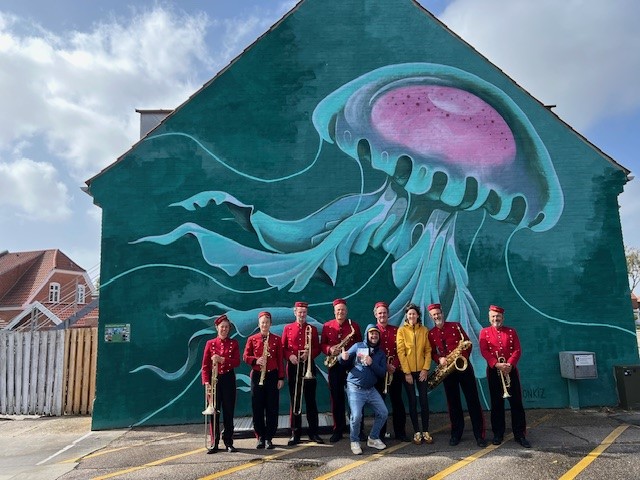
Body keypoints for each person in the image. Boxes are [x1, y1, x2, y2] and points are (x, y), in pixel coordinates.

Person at [427, 303, 487, 448]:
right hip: (448, 371)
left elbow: (468, 343)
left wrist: (462, 357)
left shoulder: (455, 326)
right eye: (434, 315)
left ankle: (479, 435)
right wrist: (439, 359)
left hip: (463, 368)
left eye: (438, 313)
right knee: (453, 404)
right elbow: (432, 353)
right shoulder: (431, 334)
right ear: (431, 317)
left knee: (473, 401)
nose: (436, 316)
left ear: (442, 313)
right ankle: (456, 434)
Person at [479, 304, 531, 448]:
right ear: (489, 318)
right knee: (497, 404)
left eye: (498, 316)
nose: (496, 319)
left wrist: (509, 364)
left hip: (510, 370)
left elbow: (517, 350)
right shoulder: (484, 332)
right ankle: (498, 434)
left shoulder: (511, 331)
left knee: (516, 404)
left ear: (502, 318)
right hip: (494, 371)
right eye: (493, 316)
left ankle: (520, 434)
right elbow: (484, 351)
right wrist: (496, 364)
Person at [339, 324, 389, 455]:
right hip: (355, 387)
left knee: (383, 413)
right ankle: (354, 441)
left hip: (370, 389)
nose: (374, 336)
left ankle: (373, 438)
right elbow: (344, 360)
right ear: (367, 334)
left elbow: (382, 373)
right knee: (356, 416)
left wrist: (372, 363)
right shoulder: (358, 346)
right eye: (371, 333)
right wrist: (342, 357)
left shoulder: (381, 353)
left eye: (376, 334)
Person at [282, 301, 324, 445]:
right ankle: (295, 433)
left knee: (311, 401)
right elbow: (283, 348)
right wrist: (290, 356)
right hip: (293, 368)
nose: (302, 315)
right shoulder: (288, 328)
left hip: (308, 367)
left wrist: (309, 354)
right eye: (299, 312)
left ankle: (314, 433)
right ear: (295, 312)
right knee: (295, 401)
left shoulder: (312, 329)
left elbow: (318, 348)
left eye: (304, 312)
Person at [320, 298, 363, 443]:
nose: (340, 312)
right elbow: (322, 344)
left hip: (352, 365)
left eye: (343, 310)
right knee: (336, 398)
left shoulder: (354, 326)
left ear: (346, 311)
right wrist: (330, 349)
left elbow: (360, 345)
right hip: (334, 366)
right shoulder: (327, 326)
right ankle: (338, 429)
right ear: (334, 311)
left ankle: (359, 429)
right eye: (338, 310)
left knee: (356, 398)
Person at [243, 311, 285, 450]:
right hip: (257, 375)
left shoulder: (277, 339)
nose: (264, 325)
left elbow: (280, 359)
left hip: (272, 375)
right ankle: (260, 436)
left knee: (272, 407)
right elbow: (245, 356)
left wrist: (280, 377)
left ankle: (269, 437)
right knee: (257, 407)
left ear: (270, 324)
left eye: (267, 322)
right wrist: (256, 360)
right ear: (259, 324)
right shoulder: (252, 339)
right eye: (262, 323)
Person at [201, 314, 241, 453]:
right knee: (214, 413)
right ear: (217, 328)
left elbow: (237, 362)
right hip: (214, 380)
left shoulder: (234, 343)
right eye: (222, 327)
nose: (224, 329)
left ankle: (229, 441)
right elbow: (205, 366)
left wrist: (223, 360)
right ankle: (214, 442)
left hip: (228, 379)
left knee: (228, 412)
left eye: (226, 327)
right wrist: (206, 382)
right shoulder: (210, 343)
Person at [396, 303, 433, 445]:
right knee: (412, 401)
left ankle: (426, 431)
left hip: (422, 371)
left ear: (418, 315)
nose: (412, 316)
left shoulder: (424, 330)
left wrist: (425, 369)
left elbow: (428, 350)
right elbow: (401, 352)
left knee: (424, 400)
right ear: (406, 315)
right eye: (409, 314)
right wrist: (407, 373)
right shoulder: (401, 331)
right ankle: (417, 431)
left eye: (414, 313)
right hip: (408, 372)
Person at [373, 301, 408, 442]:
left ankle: (400, 432)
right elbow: (371, 352)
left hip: (395, 371)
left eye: (384, 313)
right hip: (379, 373)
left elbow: (401, 350)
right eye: (380, 313)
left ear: (388, 314)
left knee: (397, 402)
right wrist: (384, 366)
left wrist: (394, 365)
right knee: (379, 404)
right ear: (376, 315)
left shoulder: (396, 330)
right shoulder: (372, 331)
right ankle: (380, 434)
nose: (382, 315)